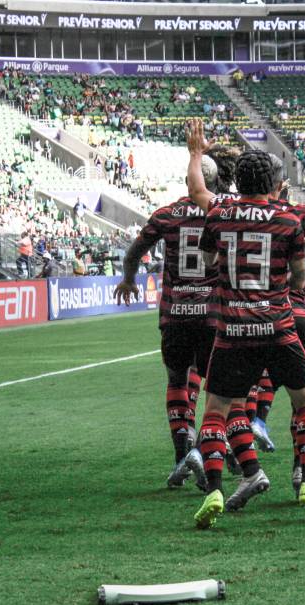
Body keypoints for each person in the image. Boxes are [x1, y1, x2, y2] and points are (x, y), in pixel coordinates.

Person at [186, 145, 305, 529]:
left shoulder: (220, 214)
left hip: (233, 330)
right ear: (273, 182)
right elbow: (300, 279)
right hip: (279, 327)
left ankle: (215, 490)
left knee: (215, 413)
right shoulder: (288, 220)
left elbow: (208, 262)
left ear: (237, 181)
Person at [114, 143, 238, 489]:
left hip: (174, 315)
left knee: (176, 381)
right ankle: (208, 447)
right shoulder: (223, 212)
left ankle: (182, 454)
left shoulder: (166, 214)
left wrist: (127, 280)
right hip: (213, 315)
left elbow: (134, 253)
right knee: (217, 389)